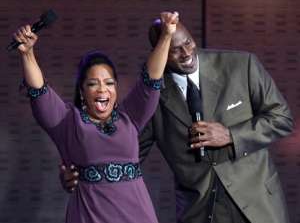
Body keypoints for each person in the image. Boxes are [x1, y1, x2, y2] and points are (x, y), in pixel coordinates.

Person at [59, 16, 293, 223]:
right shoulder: (150, 97)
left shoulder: (242, 66)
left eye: (189, 43)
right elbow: (123, 153)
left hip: (258, 203)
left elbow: (281, 118)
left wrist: (231, 135)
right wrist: (81, 173)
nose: (188, 54)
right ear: (158, 53)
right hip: (199, 211)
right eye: (175, 50)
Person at [13, 12, 178, 223]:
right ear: (82, 91)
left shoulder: (130, 116)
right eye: (93, 83)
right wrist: (27, 53)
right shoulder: (67, 121)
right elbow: (39, 90)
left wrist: (166, 35)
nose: (103, 89)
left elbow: (151, 78)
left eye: (109, 83)